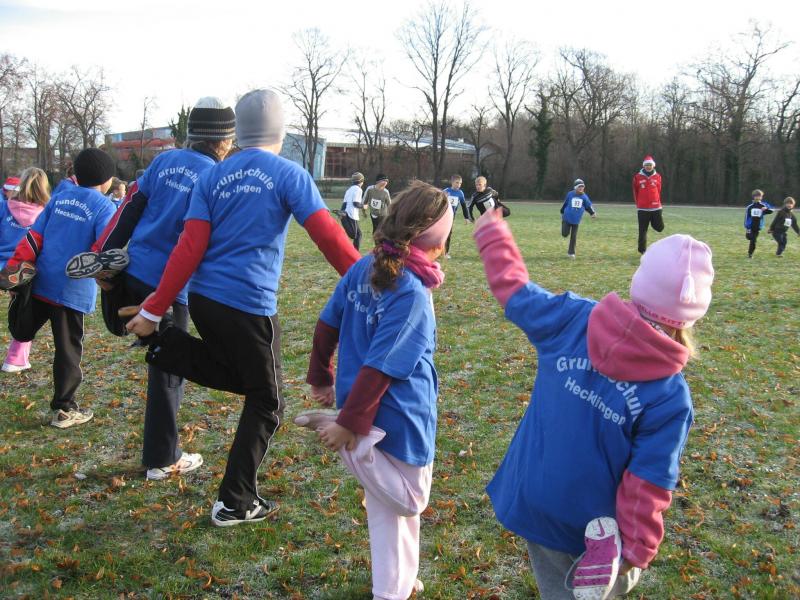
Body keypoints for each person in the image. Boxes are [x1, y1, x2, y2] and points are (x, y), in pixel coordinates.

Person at [124, 89, 361, 526]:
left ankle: (168, 347)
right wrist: (367, 278)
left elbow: (188, 247)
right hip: (249, 304)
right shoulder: (289, 174)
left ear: (239, 133)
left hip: (204, 301)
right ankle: (235, 501)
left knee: (248, 381)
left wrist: (155, 309)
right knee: (268, 401)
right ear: (280, 131)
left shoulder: (212, 177)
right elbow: (327, 234)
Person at [473, 206, 714, 600]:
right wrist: (637, 549)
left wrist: (493, 236)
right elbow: (648, 481)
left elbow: (516, 294)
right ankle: (612, 567)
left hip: (538, 496)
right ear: (690, 317)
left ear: (640, 283)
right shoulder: (670, 395)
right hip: (593, 527)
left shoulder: (574, 318)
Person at [66, 97, 237, 481]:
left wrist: (103, 257)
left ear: (192, 134)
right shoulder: (217, 177)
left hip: (134, 274)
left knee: (143, 339)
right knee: (169, 371)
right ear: (224, 140)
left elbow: (128, 208)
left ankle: (118, 305)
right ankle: (163, 458)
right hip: (169, 288)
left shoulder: (164, 161)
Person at [295, 180, 451, 600]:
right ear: (438, 241)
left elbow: (327, 324)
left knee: (386, 510)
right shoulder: (411, 292)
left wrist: (321, 376)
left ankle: (396, 585)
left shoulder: (364, 267)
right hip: (398, 413)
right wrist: (349, 425)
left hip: (362, 406)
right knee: (411, 501)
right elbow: (383, 365)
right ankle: (355, 446)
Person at [0, 148, 117, 428]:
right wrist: (108, 278)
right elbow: (104, 248)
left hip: (42, 281)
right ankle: (64, 408)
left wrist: (14, 268)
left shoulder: (60, 197)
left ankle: (17, 349)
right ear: (106, 179)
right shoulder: (104, 206)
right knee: (68, 350)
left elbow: (34, 237)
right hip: (71, 291)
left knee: (23, 327)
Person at [0, 167, 50, 372]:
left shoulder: (4, 207)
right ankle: (15, 358)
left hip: (4, 264)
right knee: (25, 310)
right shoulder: (46, 213)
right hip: (25, 270)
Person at [632, 156, 663, 254]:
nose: (648, 166)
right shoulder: (637, 177)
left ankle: (652, 222)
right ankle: (642, 250)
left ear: (653, 166)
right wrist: (638, 203)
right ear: (643, 166)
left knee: (660, 227)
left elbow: (659, 190)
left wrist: (656, 200)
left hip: (656, 207)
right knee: (642, 230)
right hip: (642, 209)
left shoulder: (658, 176)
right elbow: (635, 191)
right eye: (646, 165)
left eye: (650, 165)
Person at [560, 179, 596, 258]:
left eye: (582, 187)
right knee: (565, 234)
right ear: (576, 187)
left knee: (574, 236)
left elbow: (588, 206)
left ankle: (571, 253)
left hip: (576, 220)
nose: (581, 188)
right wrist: (562, 211)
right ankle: (564, 225)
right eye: (579, 186)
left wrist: (592, 213)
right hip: (567, 217)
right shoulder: (570, 194)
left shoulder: (584, 197)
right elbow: (565, 203)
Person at [744, 189, 774, 258]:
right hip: (750, 226)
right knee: (749, 237)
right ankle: (748, 234)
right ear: (753, 197)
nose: (758, 197)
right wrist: (747, 226)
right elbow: (746, 217)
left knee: (753, 240)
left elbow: (771, 210)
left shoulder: (763, 205)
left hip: (757, 227)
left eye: (759, 196)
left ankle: (750, 253)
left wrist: (766, 209)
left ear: (761, 197)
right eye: (756, 196)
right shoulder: (750, 207)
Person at [443, 174, 466, 258]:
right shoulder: (446, 191)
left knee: (449, 233)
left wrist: (466, 217)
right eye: (457, 182)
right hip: (442, 216)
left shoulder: (460, 193)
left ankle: (445, 253)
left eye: (460, 183)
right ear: (452, 182)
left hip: (451, 217)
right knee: (440, 233)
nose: (458, 185)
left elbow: (464, 206)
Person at [341, 172, 365, 250]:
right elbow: (356, 204)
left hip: (346, 213)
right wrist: (364, 206)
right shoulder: (358, 190)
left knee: (358, 234)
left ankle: (354, 252)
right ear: (361, 181)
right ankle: (355, 253)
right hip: (352, 215)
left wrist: (341, 213)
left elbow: (344, 204)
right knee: (356, 235)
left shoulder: (349, 190)